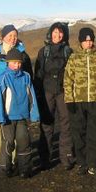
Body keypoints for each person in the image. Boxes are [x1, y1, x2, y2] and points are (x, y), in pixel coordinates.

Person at [0, 24, 33, 171]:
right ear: (3, 37)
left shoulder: (23, 55)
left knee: (16, 132)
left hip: (17, 102)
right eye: (9, 35)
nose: (12, 38)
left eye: (15, 35)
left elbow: (29, 78)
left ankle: (13, 161)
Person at [63, 27, 96, 176]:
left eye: (91, 40)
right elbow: (67, 79)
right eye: (86, 40)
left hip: (95, 101)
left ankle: (94, 164)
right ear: (81, 42)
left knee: (95, 133)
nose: (89, 43)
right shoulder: (74, 58)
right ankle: (82, 163)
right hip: (78, 102)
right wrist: (69, 100)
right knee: (79, 133)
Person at [0, 48, 40, 178]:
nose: (17, 65)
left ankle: (24, 169)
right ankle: (4, 169)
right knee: (8, 143)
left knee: (24, 142)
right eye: (14, 62)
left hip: (22, 117)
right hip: (8, 118)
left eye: (19, 62)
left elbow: (32, 96)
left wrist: (34, 114)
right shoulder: (3, 78)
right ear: (8, 63)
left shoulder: (26, 77)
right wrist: (1, 117)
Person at [34, 22, 74, 170]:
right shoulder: (43, 52)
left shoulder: (68, 52)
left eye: (61, 32)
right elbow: (38, 74)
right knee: (46, 124)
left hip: (64, 91)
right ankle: (45, 157)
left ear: (65, 35)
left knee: (66, 124)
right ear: (50, 34)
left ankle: (66, 157)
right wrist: (38, 94)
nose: (57, 35)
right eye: (55, 32)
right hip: (47, 91)